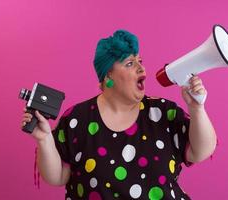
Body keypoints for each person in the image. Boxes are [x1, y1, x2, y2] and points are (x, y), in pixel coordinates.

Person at [21, 30, 217, 200]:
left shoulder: (163, 112)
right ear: (108, 76)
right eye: (130, 63)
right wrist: (45, 139)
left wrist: (197, 108)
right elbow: (58, 176)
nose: (142, 68)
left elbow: (200, 152)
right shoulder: (76, 120)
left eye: (140, 61)